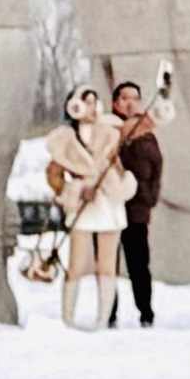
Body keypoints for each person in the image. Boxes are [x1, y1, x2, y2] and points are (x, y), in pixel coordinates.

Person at [47, 81, 126, 328]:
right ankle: (67, 318)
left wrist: (110, 178)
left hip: (107, 201)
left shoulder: (111, 132)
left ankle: (103, 319)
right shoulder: (65, 139)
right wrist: (76, 190)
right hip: (81, 205)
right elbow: (54, 173)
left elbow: (120, 169)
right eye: (86, 101)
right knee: (77, 264)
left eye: (94, 102)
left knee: (107, 264)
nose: (91, 107)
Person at [107, 70, 170, 328]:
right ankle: (108, 312)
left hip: (136, 208)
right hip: (109, 206)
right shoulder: (108, 130)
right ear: (115, 103)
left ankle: (145, 311)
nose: (130, 103)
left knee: (138, 263)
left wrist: (149, 198)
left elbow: (156, 169)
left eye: (135, 98)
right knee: (108, 264)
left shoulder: (146, 134)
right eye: (124, 98)